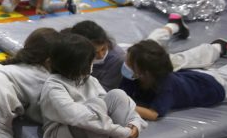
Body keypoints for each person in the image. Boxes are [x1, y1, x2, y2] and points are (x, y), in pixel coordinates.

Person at [39, 34, 148, 138]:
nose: (95, 61)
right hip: (65, 137)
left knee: (117, 95)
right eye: (91, 59)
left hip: (98, 133)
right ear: (78, 64)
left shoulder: (89, 80)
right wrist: (121, 132)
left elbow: (120, 105)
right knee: (94, 109)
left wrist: (134, 124)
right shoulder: (54, 86)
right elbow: (80, 117)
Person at [69, 17, 218, 92]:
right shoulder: (77, 47)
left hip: (136, 58)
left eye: (103, 49)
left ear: (106, 42)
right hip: (132, 52)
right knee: (151, 42)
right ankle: (173, 25)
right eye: (96, 53)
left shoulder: (116, 61)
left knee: (175, 61)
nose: (101, 55)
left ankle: (217, 48)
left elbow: (102, 90)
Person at [120, 39, 227, 121]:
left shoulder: (165, 86)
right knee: (226, 73)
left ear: (144, 72)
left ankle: (222, 49)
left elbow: (154, 114)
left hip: (213, 88)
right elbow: (122, 93)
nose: (125, 64)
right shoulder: (133, 76)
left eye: (129, 62)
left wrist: (124, 106)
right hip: (194, 77)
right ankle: (221, 48)